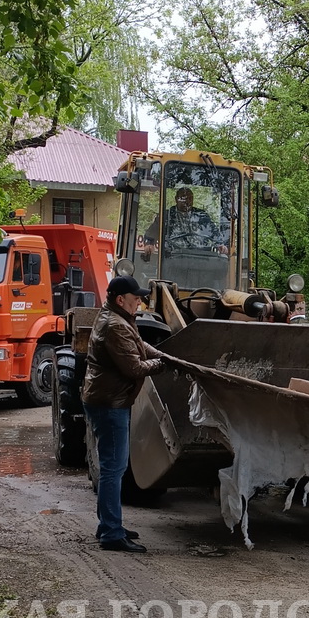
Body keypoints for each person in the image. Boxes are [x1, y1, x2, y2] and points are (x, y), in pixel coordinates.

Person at [81, 274, 178, 553]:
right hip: (110, 404)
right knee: (114, 469)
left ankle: (109, 525)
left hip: (105, 399)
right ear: (121, 299)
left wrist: (163, 354)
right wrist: (162, 366)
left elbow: (138, 345)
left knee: (115, 467)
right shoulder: (115, 325)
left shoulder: (118, 317)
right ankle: (111, 533)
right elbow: (134, 368)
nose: (139, 302)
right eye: (136, 299)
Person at [143, 186, 225, 254]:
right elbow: (152, 232)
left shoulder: (202, 216)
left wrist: (221, 244)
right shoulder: (166, 216)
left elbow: (213, 232)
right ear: (176, 199)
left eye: (190, 199)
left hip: (199, 256)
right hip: (172, 255)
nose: (187, 202)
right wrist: (149, 244)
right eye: (183, 198)